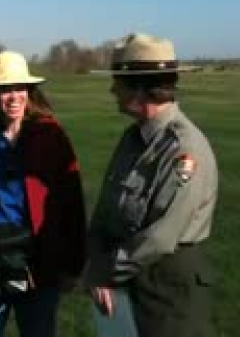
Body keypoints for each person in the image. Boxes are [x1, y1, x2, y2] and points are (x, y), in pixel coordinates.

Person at [83, 33, 218, 337]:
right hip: (126, 280)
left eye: (118, 82)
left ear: (140, 89)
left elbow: (160, 237)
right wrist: (96, 262)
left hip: (169, 291)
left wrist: (102, 271)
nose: (112, 90)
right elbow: (105, 212)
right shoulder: (133, 139)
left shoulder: (184, 149)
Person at [0, 51, 87, 337]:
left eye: (19, 88)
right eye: (5, 90)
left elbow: (72, 202)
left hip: (37, 262)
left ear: (29, 92)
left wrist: (73, 264)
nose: (13, 97)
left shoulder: (51, 135)